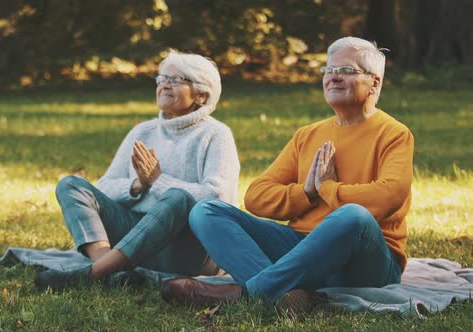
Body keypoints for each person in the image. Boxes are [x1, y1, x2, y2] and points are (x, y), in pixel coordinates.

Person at [161, 37, 414, 312]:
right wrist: (306, 192)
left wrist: (328, 187)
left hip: (367, 261)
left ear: (374, 82)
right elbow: (256, 196)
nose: (333, 77)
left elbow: (390, 196)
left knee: (353, 216)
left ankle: (251, 293)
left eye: (346, 71)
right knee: (206, 211)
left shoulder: (394, 134)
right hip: (299, 246)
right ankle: (286, 293)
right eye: (328, 71)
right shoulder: (308, 135)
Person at [34, 51, 240, 290]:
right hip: (135, 243)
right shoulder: (143, 131)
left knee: (177, 197)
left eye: (176, 80)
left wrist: (158, 181)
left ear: (202, 95)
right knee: (71, 185)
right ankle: (106, 267)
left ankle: (93, 274)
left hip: (188, 250)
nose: (164, 85)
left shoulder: (216, 135)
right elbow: (104, 187)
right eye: (161, 79)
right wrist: (137, 186)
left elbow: (218, 199)